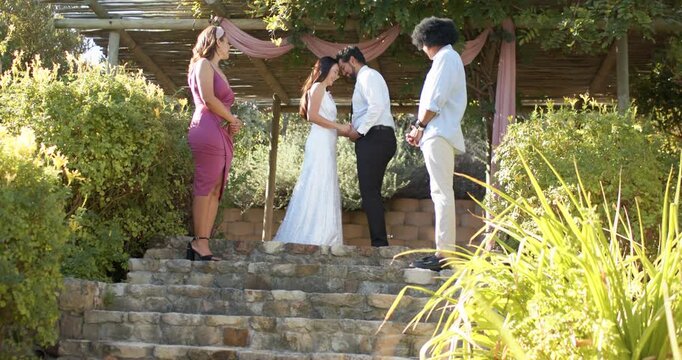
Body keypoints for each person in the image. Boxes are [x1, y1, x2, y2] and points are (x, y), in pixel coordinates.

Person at [406, 17, 467, 271]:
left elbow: (435, 99)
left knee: (441, 193)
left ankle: (444, 255)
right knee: (441, 192)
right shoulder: (450, 59)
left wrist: (419, 127)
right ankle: (444, 252)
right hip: (438, 133)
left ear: (430, 40)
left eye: (422, 43)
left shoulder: (445, 59)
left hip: (437, 133)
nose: (422, 49)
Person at [273, 57, 351, 246]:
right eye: (334, 72)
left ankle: (326, 231)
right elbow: (312, 116)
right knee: (317, 181)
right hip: (319, 143)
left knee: (326, 182)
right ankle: (314, 233)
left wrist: (342, 130)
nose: (336, 76)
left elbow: (326, 121)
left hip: (328, 142)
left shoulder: (327, 92)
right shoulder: (317, 88)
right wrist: (338, 126)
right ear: (324, 71)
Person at [186, 25, 242, 261]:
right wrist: (232, 118)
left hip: (220, 132)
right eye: (227, 41)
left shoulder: (218, 69)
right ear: (217, 41)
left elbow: (222, 104)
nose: (229, 46)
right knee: (206, 185)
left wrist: (231, 123)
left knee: (217, 187)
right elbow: (208, 98)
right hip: (207, 128)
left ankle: (203, 241)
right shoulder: (203, 65)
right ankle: (200, 242)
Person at [336, 46, 397, 247]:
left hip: (375, 137)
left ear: (352, 60)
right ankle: (379, 242)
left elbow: (377, 107)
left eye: (343, 67)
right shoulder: (365, 79)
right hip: (375, 138)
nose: (343, 72)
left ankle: (379, 245)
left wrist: (359, 131)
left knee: (369, 191)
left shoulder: (368, 76)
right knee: (371, 191)